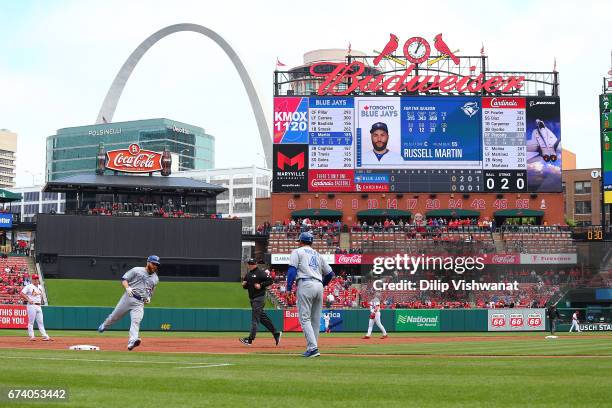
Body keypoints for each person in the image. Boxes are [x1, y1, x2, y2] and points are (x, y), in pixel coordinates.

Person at [287, 231, 335, 357]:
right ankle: (313, 347)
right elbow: (330, 274)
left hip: (306, 283)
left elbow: (292, 271)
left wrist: (288, 289)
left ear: (301, 241)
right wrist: (322, 285)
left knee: (305, 318)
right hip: (319, 285)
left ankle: (313, 348)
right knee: (315, 320)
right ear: (311, 242)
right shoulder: (318, 254)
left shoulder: (297, 251)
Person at [97, 255, 160, 351]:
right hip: (128, 297)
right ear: (148, 262)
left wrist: (149, 297)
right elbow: (124, 279)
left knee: (136, 321)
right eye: (153, 263)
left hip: (140, 302)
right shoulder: (136, 270)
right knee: (115, 316)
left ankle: (132, 342)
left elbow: (152, 289)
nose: (155, 266)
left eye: (156, 264)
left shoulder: (155, 278)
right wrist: (127, 288)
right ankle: (104, 325)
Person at [239, 259, 282, 346]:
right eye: (249, 264)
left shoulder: (260, 273)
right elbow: (247, 286)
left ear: (256, 264)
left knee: (255, 319)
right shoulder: (248, 274)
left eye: (252, 263)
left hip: (259, 298)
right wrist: (244, 284)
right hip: (252, 298)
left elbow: (270, 281)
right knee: (262, 318)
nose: (251, 265)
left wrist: (261, 285)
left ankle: (250, 339)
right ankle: (276, 333)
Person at [19, 274, 51, 341]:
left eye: (37, 278)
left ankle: (45, 336)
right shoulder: (29, 286)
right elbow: (21, 293)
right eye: (35, 279)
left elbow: (40, 295)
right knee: (31, 322)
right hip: (32, 305)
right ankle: (32, 336)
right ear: (32, 280)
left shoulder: (40, 287)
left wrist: (41, 301)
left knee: (41, 322)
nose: (36, 280)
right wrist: (28, 299)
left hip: (39, 306)